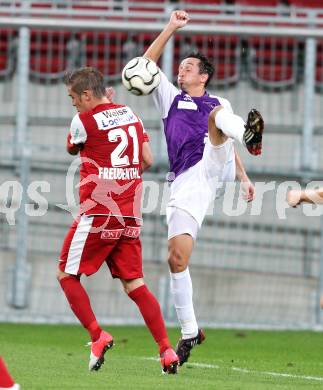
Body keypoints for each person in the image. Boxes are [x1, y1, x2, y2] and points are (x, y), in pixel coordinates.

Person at [143, 10, 264, 366]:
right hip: (185, 181)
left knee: (216, 117)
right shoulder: (168, 97)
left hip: (210, 164)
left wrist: (242, 173)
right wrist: (170, 27)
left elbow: (222, 142)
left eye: (188, 68)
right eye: (179, 67)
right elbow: (145, 66)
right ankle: (189, 331)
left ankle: (249, 135)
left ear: (204, 76)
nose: (180, 71)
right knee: (176, 258)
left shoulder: (217, 103)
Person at [57, 67, 179, 374]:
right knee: (135, 284)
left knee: (66, 275)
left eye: (74, 98)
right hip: (130, 215)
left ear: (86, 95)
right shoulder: (130, 113)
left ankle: (98, 335)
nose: (73, 104)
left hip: (98, 213)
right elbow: (148, 160)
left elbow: (71, 146)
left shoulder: (83, 120)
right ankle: (166, 350)